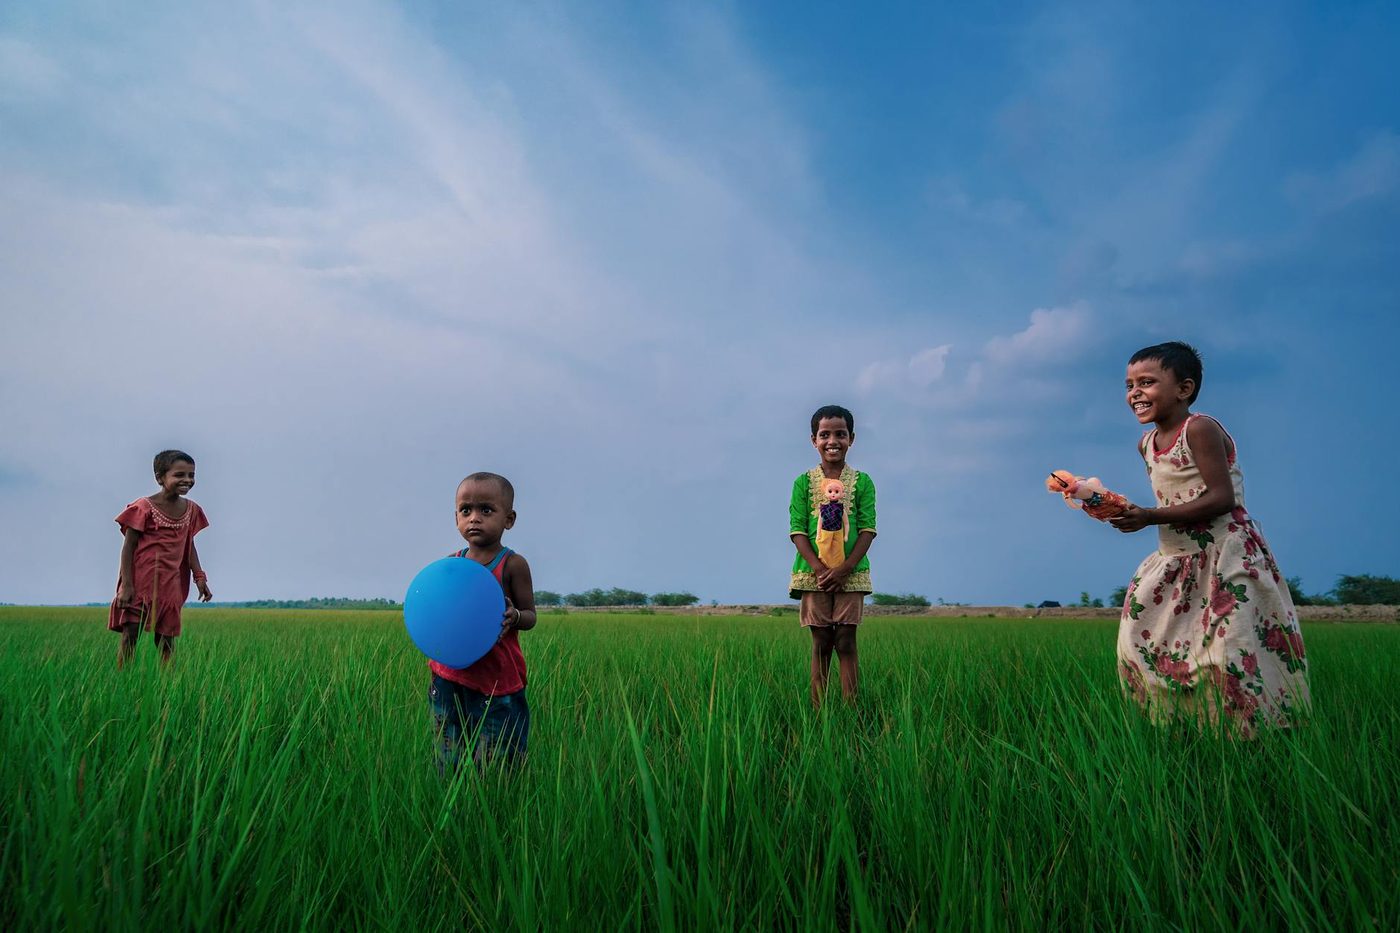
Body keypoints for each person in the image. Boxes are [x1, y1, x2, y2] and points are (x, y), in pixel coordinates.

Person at [1110, 342, 1310, 734]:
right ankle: (1181, 732)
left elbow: (1222, 498)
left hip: (1226, 556)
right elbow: (1171, 497)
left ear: (1183, 389)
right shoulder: (1146, 445)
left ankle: (1254, 740)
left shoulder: (1199, 429)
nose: (1134, 392)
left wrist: (1149, 516)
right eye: (1129, 384)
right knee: (1142, 647)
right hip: (1174, 559)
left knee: (1229, 653)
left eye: (1147, 382)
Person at [429, 472, 537, 770]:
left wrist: (514, 616)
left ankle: (494, 803)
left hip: (495, 678)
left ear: (509, 519)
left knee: (497, 754)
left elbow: (530, 617)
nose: (474, 518)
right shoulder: (452, 563)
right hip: (449, 673)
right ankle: (452, 800)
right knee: (448, 746)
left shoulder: (512, 564)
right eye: (466, 510)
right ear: (456, 519)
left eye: (486, 510)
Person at [788, 405, 877, 706]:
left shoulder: (862, 482)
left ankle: (851, 711)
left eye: (840, 434)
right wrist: (819, 569)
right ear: (813, 440)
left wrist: (844, 569)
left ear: (851, 438)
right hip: (813, 575)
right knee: (821, 642)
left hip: (851, 574)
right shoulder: (803, 483)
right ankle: (819, 714)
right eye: (824, 435)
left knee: (846, 641)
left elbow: (867, 529)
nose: (832, 441)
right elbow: (797, 530)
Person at [107, 449, 212, 667]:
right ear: (160, 478)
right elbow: (128, 548)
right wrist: (126, 586)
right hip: (140, 583)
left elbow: (188, 544)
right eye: (179, 475)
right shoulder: (143, 507)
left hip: (171, 584)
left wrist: (199, 576)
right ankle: (123, 682)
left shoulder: (192, 510)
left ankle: (168, 687)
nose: (187, 480)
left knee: (167, 640)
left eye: (191, 475)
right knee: (130, 635)